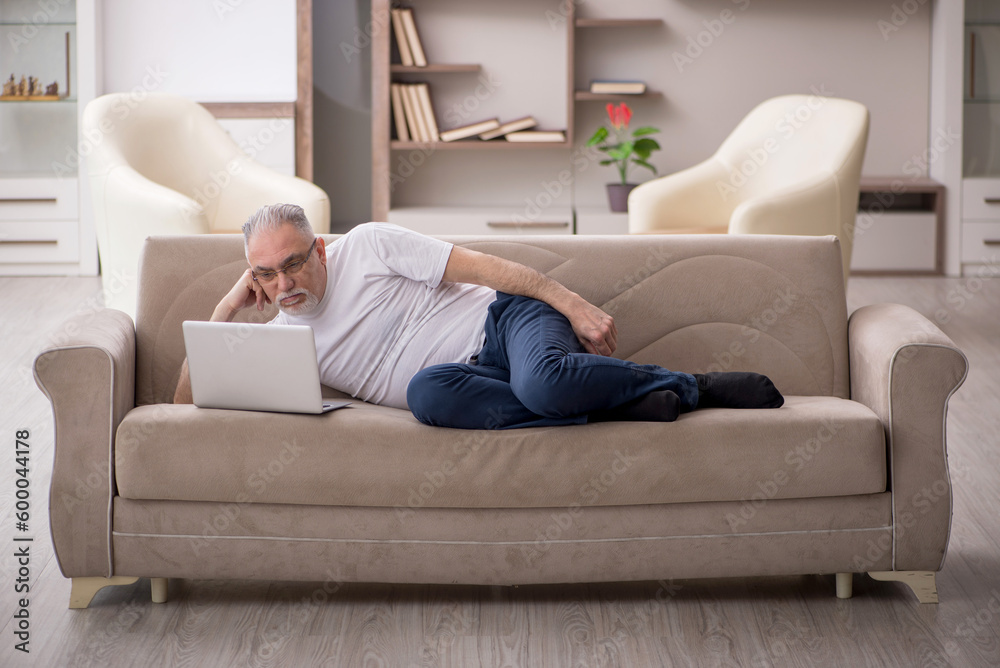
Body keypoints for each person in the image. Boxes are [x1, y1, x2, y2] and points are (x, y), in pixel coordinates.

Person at [173, 204, 784, 428]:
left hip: (505, 322)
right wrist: (228, 306)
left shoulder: (369, 244)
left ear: (321, 249)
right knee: (425, 397)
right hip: (463, 379)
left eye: (294, 264)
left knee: (542, 379)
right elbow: (181, 408)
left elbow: (484, 267)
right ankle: (621, 403)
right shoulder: (283, 337)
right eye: (265, 275)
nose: (285, 284)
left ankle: (687, 385)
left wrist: (566, 301)